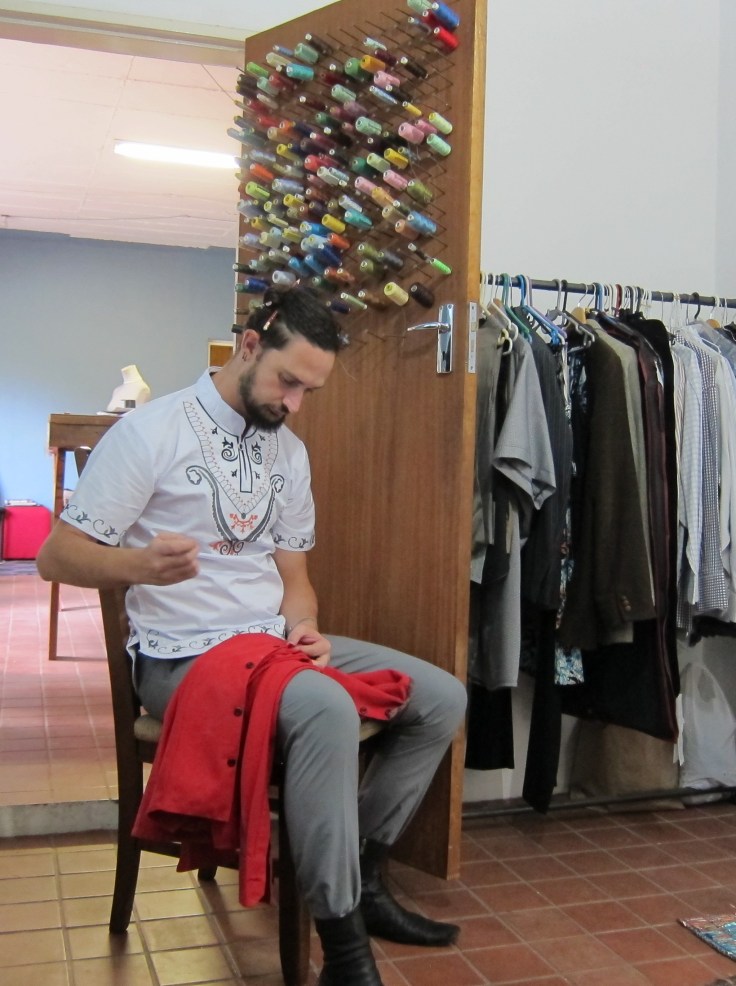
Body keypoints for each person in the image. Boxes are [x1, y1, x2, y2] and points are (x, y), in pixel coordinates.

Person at [37, 285, 467, 986]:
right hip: (182, 657)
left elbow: (294, 576)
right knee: (326, 707)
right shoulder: (150, 434)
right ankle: (345, 948)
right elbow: (56, 557)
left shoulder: (288, 453)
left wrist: (306, 628)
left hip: (270, 644)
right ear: (249, 346)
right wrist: (138, 565)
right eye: (287, 382)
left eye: (309, 392)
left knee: (441, 697)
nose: (294, 404)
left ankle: (363, 873)